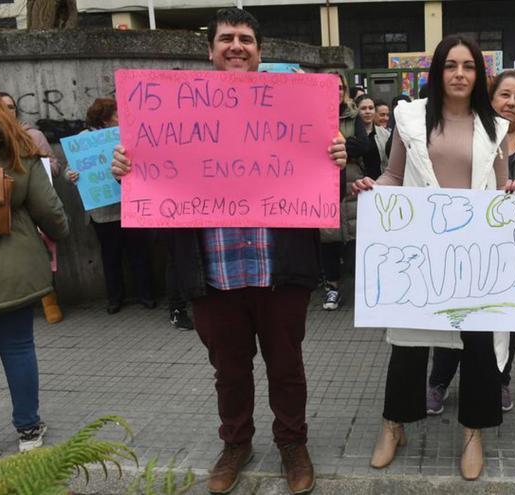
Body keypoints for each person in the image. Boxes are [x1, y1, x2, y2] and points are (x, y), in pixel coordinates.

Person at [111, 9, 348, 495]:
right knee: (229, 371)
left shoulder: (294, 110)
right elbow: (154, 185)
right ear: (211, 50)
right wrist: (127, 171)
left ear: (260, 51)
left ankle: (292, 444)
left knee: (287, 366)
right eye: (226, 39)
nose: (236, 46)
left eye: (245, 39)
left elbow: (322, 187)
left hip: (278, 269)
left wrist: (336, 162)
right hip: (212, 271)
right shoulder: (173, 110)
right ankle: (236, 443)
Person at [352, 35, 515, 481]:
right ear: (438, 71)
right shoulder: (411, 118)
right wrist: (373, 189)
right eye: (451, 66)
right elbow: (393, 175)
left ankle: (473, 433)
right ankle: (393, 426)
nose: (459, 74)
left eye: (468, 67)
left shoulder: (494, 127)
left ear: (478, 75)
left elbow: (500, 187)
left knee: (478, 348)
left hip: (473, 258)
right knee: (408, 345)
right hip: (420, 253)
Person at [426, 69, 515, 416]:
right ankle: (438, 381)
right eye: (505, 95)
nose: (511, 102)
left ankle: (499, 379)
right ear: (491, 97)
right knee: (454, 317)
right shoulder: (470, 137)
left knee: (506, 321)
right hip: (465, 247)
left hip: (514, 251)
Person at [0, 75, 69, 461]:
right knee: (18, 347)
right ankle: (28, 429)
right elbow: (48, 210)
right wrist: (61, 231)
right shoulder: (17, 145)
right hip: (13, 263)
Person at [68, 98, 156, 315]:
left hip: (129, 208)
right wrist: (70, 175)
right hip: (102, 213)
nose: (121, 117)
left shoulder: (129, 136)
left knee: (139, 253)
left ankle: (146, 295)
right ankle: (115, 298)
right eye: (117, 114)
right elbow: (71, 168)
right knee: (110, 256)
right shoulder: (84, 140)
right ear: (105, 118)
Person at [0, 92, 64, 323]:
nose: (8, 111)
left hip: (31, 206)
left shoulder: (32, 136)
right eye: (2, 106)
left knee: (44, 253)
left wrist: (43, 165)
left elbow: (54, 167)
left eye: (11, 106)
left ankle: (49, 299)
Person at [320, 76, 368, 311]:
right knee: (328, 238)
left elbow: (363, 145)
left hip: (350, 182)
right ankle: (332, 287)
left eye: (340, 87)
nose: (337, 91)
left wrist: (334, 145)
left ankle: (361, 289)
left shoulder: (353, 114)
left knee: (354, 236)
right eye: (331, 87)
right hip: (322, 183)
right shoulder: (313, 113)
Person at [355, 94, 390, 178]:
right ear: (356, 110)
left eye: (371, 108)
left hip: (379, 184)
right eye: (363, 108)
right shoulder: (352, 134)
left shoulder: (384, 134)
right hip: (358, 183)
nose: (368, 111)